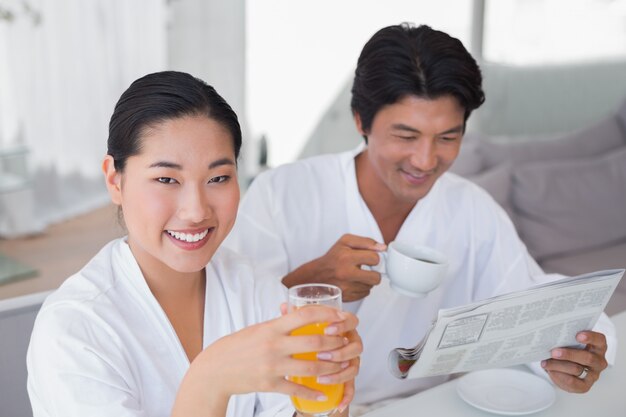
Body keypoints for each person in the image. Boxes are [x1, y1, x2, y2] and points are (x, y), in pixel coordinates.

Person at [224, 23, 616, 408]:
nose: (426, 160)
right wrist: (310, 282)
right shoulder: (281, 194)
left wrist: (581, 350)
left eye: (448, 137)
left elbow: (529, 302)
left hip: (431, 404)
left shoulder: (471, 208)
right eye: (406, 137)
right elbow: (227, 331)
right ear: (360, 120)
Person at [26, 71, 362, 417]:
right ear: (115, 179)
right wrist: (209, 380)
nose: (196, 210)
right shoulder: (74, 331)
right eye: (166, 179)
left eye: (218, 178)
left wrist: (324, 401)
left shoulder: (255, 288)